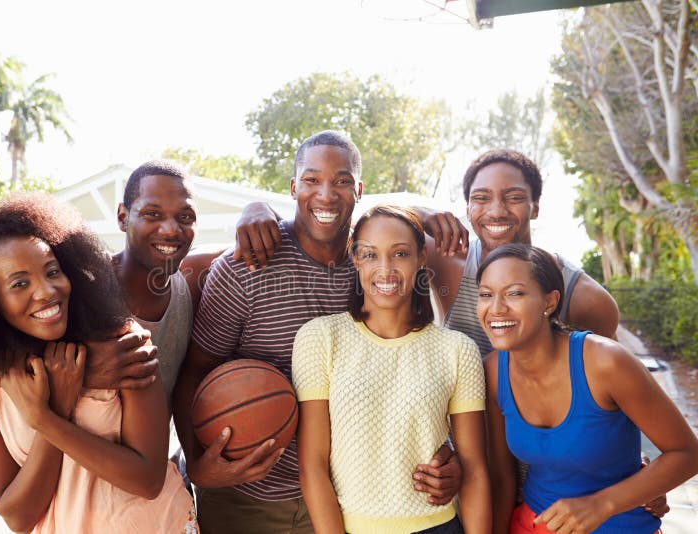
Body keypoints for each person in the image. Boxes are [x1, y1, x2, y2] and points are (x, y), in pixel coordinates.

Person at [173, 131, 467, 534]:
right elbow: (194, 371)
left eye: (342, 181)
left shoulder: (375, 268)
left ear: (359, 190)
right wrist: (200, 466)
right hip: (245, 497)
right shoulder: (244, 267)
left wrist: (447, 455)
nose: (326, 194)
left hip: (343, 498)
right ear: (293, 187)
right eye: (312, 180)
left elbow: (410, 369)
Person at [0, 193, 198, 533]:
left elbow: (147, 480)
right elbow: (17, 516)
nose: (46, 291)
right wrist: (56, 400)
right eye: (19, 283)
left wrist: (45, 419)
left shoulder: (119, 344)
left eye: (52, 271)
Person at [293, 204, 489, 534]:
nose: (385, 269)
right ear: (354, 259)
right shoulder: (320, 338)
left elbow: (475, 470)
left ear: (421, 258)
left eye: (400, 254)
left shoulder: (457, 349)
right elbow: (312, 466)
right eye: (370, 255)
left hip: (439, 526)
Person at [478, 244, 698, 533]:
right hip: (531, 524)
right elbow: (502, 476)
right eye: (485, 294)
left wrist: (601, 504)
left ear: (550, 302)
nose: (496, 308)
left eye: (515, 293)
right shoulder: (493, 371)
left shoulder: (606, 362)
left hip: (619, 526)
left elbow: (687, 454)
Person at [425, 149, 618, 357]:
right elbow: (386, 215)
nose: (497, 212)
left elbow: (610, 375)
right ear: (468, 208)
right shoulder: (447, 257)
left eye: (514, 198)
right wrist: (422, 216)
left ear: (535, 208)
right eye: (481, 198)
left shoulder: (584, 297)